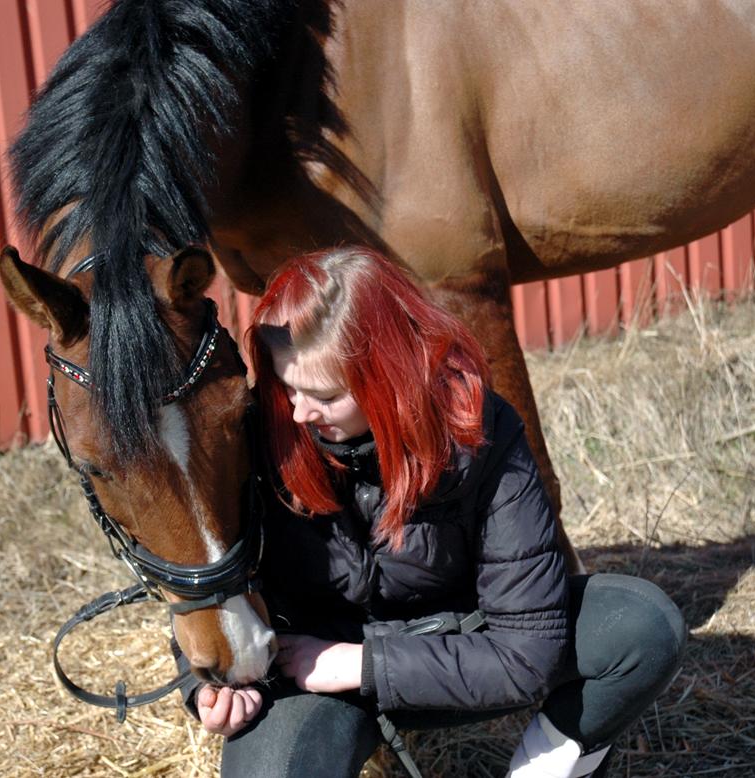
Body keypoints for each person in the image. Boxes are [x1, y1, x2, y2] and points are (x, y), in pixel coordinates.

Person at [185, 246, 685, 777]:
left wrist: (360, 663)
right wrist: (205, 685)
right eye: (287, 387)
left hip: (455, 648)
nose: (300, 411)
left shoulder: (479, 434)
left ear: (387, 377)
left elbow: (526, 653)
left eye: (325, 395)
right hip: (308, 675)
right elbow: (203, 572)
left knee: (642, 626)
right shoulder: (264, 431)